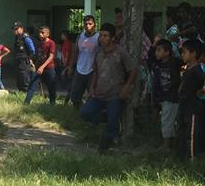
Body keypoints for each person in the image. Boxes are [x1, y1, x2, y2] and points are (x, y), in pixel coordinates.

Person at [80, 23, 137, 151]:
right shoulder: (99, 53)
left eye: (105, 36)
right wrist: (92, 88)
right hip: (99, 94)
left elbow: (133, 70)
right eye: (101, 35)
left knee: (112, 122)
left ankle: (105, 145)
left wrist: (127, 87)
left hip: (115, 95)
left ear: (112, 38)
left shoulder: (120, 52)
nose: (102, 38)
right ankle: (108, 118)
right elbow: (96, 72)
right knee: (85, 113)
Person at [177, 40, 205, 160]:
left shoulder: (197, 70)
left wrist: (203, 90)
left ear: (193, 53)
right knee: (181, 129)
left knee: (191, 131)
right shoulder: (187, 69)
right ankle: (180, 155)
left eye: (184, 52)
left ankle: (192, 157)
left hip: (192, 105)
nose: (182, 55)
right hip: (183, 103)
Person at [151, 39, 180, 152]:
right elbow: (150, 57)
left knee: (167, 120)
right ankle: (169, 144)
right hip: (162, 96)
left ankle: (166, 145)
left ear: (167, 52)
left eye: (159, 50)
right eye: (156, 50)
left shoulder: (174, 63)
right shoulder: (158, 64)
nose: (156, 53)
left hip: (171, 96)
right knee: (168, 119)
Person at [67, 15, 99, 108]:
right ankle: (78, 114)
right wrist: (70, 67)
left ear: (94, 25)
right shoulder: (80, 36)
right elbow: (75, 52)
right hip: (79, 69)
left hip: (92, 71)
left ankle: (91, 115)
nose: (88, 26)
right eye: (86, 24)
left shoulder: (98, 37)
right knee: (75, 96)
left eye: (90, 24)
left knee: (93, 95)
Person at [25, 26, 56, 105]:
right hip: (39, 69)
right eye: (39, 32)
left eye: (42, 33)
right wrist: (33, 62)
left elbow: (51, 56)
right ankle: (26, 103)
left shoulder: (51, 43)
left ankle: (52, 103)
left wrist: (43, 67)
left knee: (51, 87)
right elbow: (38, 55)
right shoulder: (39, 43)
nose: (40, 34)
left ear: (47, 34)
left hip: (49, 69)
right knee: (32, 84)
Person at [11, 21, 36, 92]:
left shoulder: (26, 38)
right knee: (19, 79)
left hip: (25, 62)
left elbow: (32, 50)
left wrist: (30, 59)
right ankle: (21, 92)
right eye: (14, 29)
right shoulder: (17, 38)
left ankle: (26, 94)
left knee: (24, 78)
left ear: (22, 28)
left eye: (17, 29)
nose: (15, 31)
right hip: (18, 61)